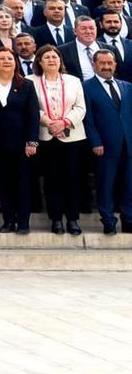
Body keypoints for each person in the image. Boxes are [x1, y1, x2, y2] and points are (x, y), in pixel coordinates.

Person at [30, 43, 86, 236]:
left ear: (60, 60)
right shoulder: (31, 81)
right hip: (46, 136)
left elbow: (80, 108)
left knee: (72, 178)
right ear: (39, 61)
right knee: (52, 180)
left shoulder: (73, 81)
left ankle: (73, 219)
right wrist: (49, 122)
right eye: (47, 57)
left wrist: (64, 122)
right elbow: (31, 108)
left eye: (55, 57)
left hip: (72, 137)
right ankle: (56, 219)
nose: (52, 60)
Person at [0, 46, 40, 233]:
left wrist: (32, 141)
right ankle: (8, 220)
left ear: (15, 62)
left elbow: (33, 115)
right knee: (4, 183)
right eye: (1, 58)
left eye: (9, 58)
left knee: (23, 183)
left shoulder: (26, 85)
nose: (6, 61)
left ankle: (23, 222)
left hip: (22, 144)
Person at [83, 48, 132, 234]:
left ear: (115, 65)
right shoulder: (86, 87)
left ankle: (129, 220)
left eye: (109, 63)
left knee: (129, 185)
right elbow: (88, 119)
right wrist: (95, 142)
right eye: (102, 63)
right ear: (94, 65)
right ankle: (108, 221)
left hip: (128, 145)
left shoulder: (127, 86)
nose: (106, 66)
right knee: (105, 185)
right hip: (104, 146)